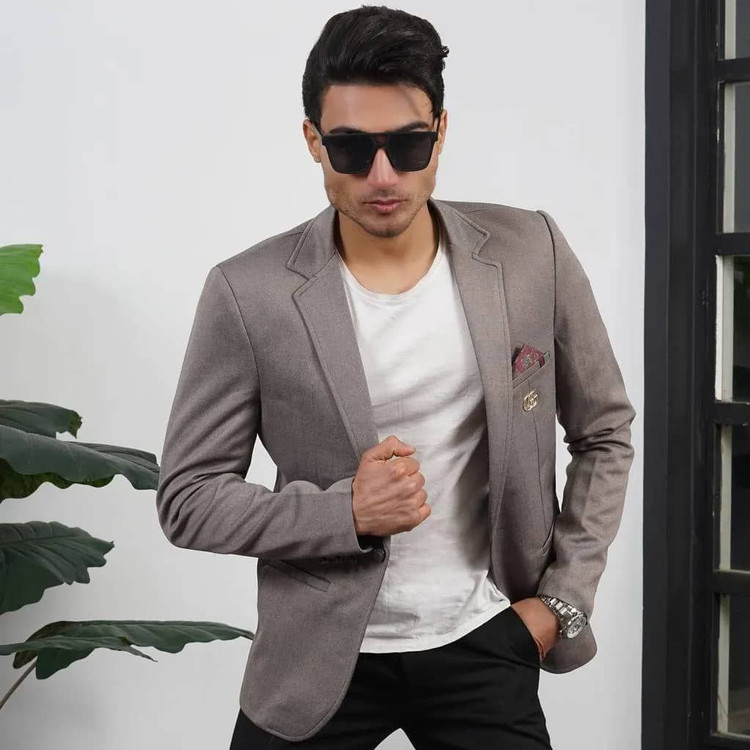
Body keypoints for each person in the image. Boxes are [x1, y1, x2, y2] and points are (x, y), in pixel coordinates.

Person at [155, 5, 637, 748]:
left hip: (487, 639)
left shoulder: (530, 252)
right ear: (313, 140)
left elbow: (604, 432)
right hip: (318, 656)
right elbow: (188, 498)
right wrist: (346, 512)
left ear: (441, 132)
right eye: (351, 148)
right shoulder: (248, 293)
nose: (382, 176)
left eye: (408, 145)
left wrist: (559, 604)